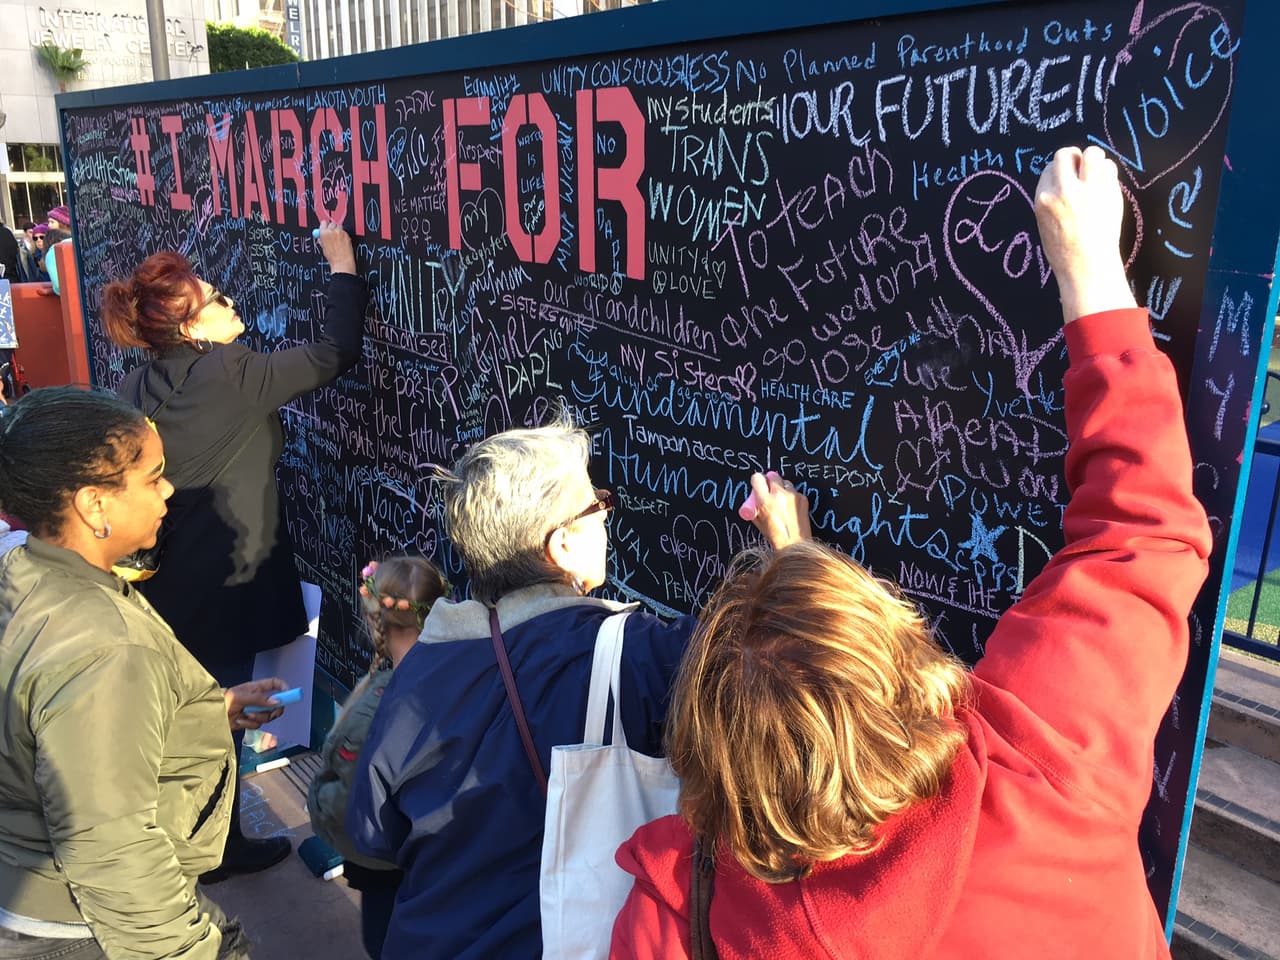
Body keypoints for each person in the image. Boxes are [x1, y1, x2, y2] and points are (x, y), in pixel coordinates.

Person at [609, 145, 1214, 960]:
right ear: (903, 658)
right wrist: (1089, 273)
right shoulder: (1044, 768)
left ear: (714, 753)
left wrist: (796, 568)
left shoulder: (682, 916)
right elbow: (1140, 532)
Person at [345, 423, 807, 958]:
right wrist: (795, 556)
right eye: (597, 505)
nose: (607, 516)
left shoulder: (419, 669)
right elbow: (786, 672)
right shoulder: (638, 658)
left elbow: (373, 831)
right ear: (561, 543)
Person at [101, 220, 367, 881]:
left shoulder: (136, 387)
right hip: (230, 572)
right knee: (223, 713)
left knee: (191, 709)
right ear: (191, 329)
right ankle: (218, 848)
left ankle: (197, 833)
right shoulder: (231, 370)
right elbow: (335, 352)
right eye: (216, 300)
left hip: (165, 581)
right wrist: (342, 267)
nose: (230, 301)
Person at [0, 386, 291, 959]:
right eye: (153, 477)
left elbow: (61, 724)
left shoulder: (24, 569)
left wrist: (210, 709)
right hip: (87, 930)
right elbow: (111, 848)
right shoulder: (105, 647)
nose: (169, 491)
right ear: (93, 504)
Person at [308, 556, 451, 960]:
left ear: (377, 621)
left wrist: (318, 802)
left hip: (385, 864)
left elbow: (346, 800)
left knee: (385, 941)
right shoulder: (464, 677)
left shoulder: (374, 707)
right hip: (441, 858)